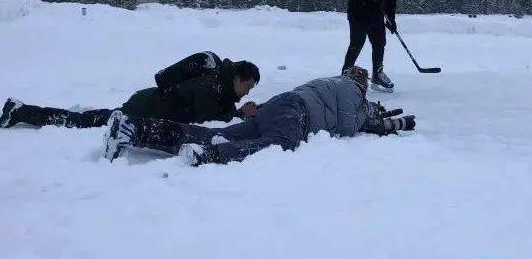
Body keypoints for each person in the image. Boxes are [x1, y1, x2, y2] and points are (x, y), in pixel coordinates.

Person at [102, 66, 416, 165]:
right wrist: (375, 121)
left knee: (216, 133)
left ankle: (135, 129)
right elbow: (348, 126)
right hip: (295, 114)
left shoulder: (330, 84)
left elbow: (351, 113)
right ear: (360, 84)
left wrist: (372, 114)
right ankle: (208, 156)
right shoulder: (350, 88)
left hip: (280, 107)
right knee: (280, 145)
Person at [0, 51, 260, 129]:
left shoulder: (219, 83)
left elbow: (217, 109)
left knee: (93, 118)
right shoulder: (210, 85)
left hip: (147, 104)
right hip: (141, 111)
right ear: (237, 76)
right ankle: (20, 112)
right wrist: (237, 116)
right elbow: (207, 120)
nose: (247, 92)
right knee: (82, 121)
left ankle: (22, 112)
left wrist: (237, 111)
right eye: (247, 85)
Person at [343, 0, 400, 93]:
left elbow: (390, 1)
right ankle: (345, 74)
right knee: (357, 42)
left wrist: (391, 19)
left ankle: (377, 74)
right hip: (358, 13)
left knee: (380, 42)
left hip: (375, 15)